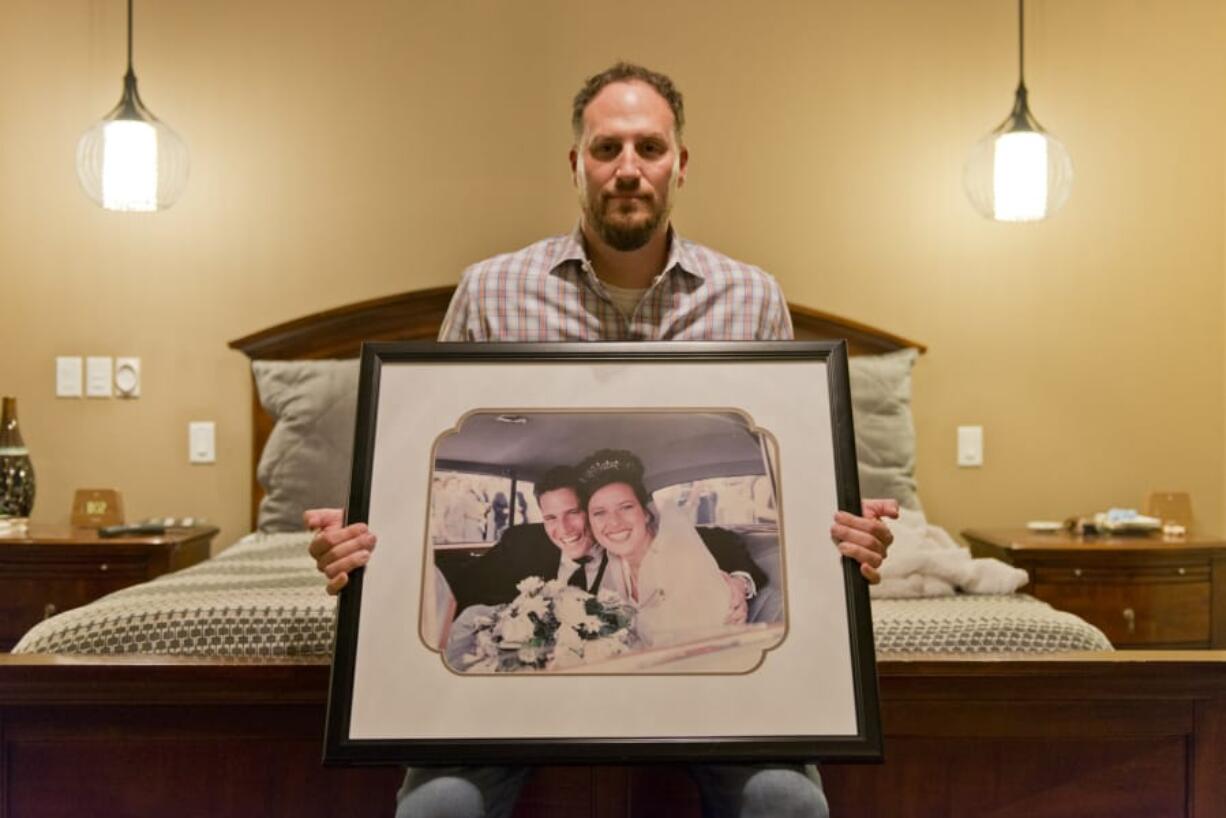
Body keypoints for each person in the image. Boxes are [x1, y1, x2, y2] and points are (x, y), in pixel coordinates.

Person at [306, 60, 897, 818]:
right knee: (437, 810)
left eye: (649, 149)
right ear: (575, 164)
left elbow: (793, 487)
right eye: (606, 148)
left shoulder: (751, 297)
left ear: (680, 164)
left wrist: (843, 537)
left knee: (789, 805)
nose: (628, 168)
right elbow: (413, 473)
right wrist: (361, 545)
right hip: (512, 708)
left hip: (718, 698)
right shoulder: (490, 291)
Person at [448, 465, 765, 617]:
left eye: (574, 513)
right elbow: (464, 584)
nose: (565, 529)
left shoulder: (625, 545)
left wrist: (738, 581)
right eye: (550, 518)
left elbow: (722, 541)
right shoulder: (523, 543)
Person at [576, 449, 745, 645]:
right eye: (599, 512)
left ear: (646, 513)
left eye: (626, 507)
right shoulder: (610, 565)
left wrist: (740, 581)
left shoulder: (684, 561)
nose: (614, 522)